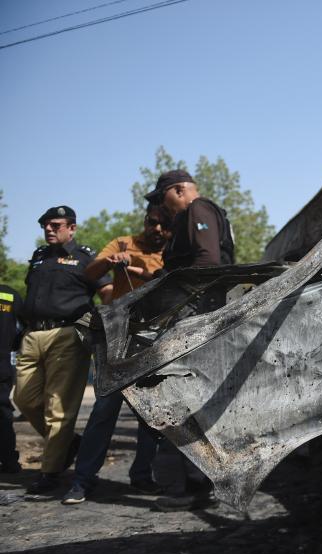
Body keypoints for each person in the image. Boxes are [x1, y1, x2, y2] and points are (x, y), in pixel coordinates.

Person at [61, 203, 170, 505]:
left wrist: (138, 268)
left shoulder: (171, 251)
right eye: (152, 222)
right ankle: (82, 480)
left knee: (150, 413)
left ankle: (142, 476)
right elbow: (89, 274)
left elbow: (169, 278)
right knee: (104, 409)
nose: (157, 229)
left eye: (164, 225)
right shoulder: (123, 242)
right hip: (118, 336)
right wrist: (112, 260)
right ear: (145, 221)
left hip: (154, 339)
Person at [144, 170, 235, 510]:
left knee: (178, 400)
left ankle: (189, 488)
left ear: (179, 190)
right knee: (189, 402)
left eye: (162, 197)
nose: (161, 207)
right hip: (199, 316)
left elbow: (207, 263)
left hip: (193, 318)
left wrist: (176, 305)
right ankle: (196, 483)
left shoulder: (197, 210)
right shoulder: (200, 214)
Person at [14, 206, 113, 494]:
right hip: (33, 336)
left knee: (58, 409)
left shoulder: (85, 257)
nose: (48, 229)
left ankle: (51, 472)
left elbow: (106, 290)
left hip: (67, 334)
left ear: (72, 228)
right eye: (45, 224)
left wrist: (103, 322)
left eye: (55, 224)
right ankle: (70, 444)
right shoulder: (39, 257)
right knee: (25, 399)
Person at [0, 284, 23, 473]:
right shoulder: (9, 294)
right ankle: (8, 460)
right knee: (3, 410)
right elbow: (26, 323)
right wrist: (13, 344)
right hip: (3, 361)